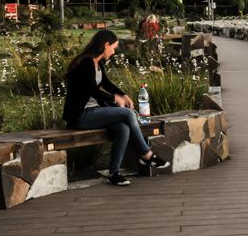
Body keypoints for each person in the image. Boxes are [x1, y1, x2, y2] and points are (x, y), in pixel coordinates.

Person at [63, 29, 170, 186]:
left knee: (123, 129)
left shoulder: (97, 63)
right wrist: (114, 98)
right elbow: (92, 90)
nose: (113, 52)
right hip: (81, 116)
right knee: (127, 114)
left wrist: (123, 95)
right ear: (105, 45)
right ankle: (146, 154)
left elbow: (106, 83)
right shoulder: (86, 63)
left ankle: (114, 173)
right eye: (113, 47)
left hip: (94, 113)